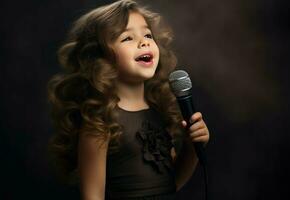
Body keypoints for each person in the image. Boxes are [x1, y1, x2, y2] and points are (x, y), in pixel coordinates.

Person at [47, 0, 210, 199]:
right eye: (127, 38)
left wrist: (192, 146)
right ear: (101, 58)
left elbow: (172, 182)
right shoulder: (99, 123)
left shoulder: (158, 112)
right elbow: (93, 196)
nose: (144, 42)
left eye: (147, 35)